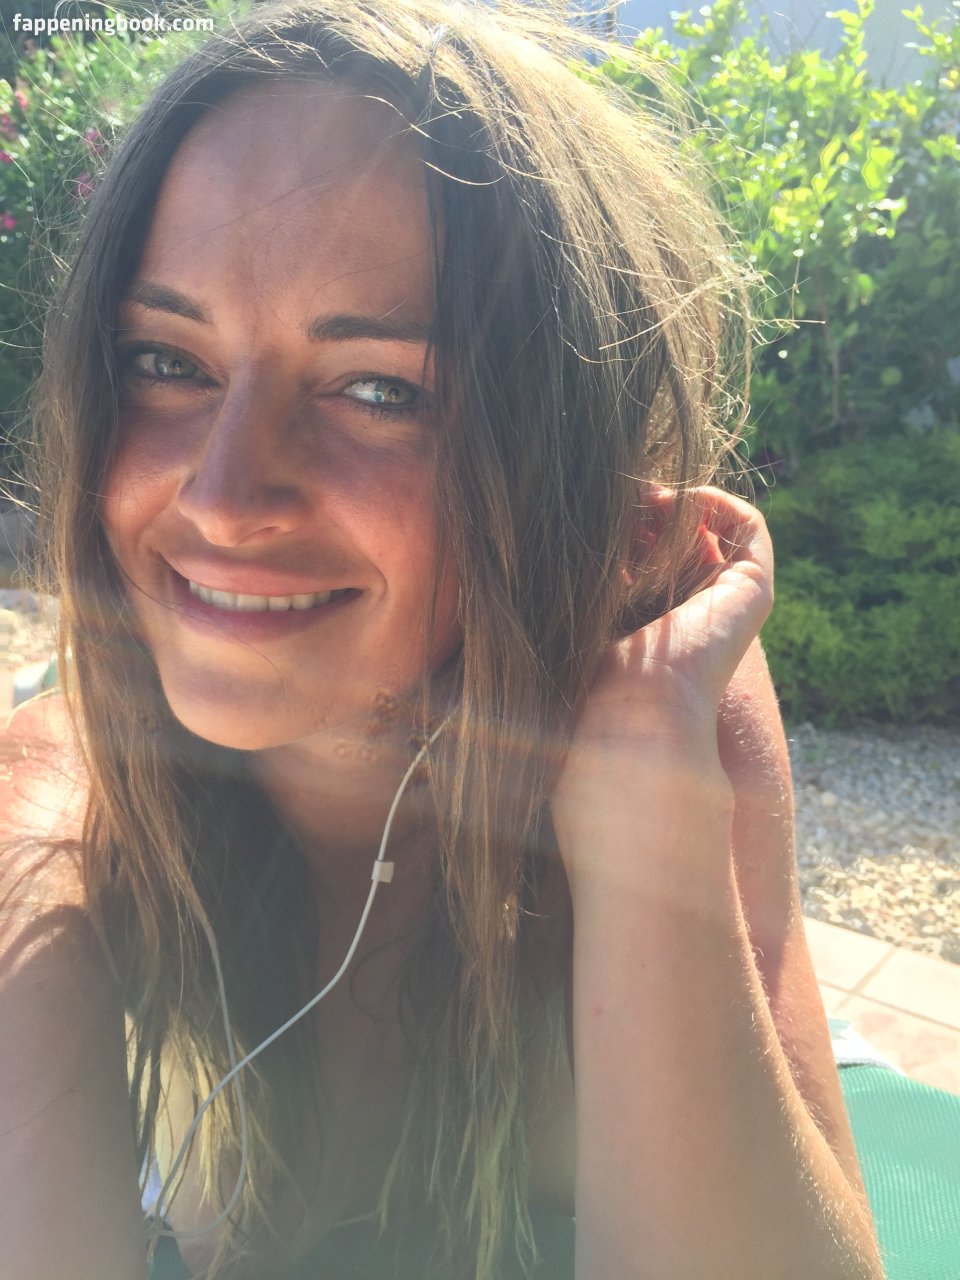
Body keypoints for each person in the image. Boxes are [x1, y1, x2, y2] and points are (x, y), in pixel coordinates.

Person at [0, 2, 885, 1277]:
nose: (224, 499)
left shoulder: (666, 693)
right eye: (166, 361)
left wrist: (640, 778)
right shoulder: (52, 822)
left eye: (380, 389)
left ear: (562, 457)